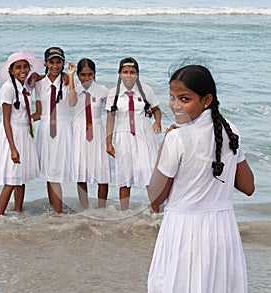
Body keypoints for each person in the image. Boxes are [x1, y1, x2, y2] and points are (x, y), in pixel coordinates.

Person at [147, 64, 255, 292]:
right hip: (222, 231)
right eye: (172, 98)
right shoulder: (231, 132)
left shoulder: (177, 138)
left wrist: (163, 146)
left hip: (184, 230)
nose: (175, 106)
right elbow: (248, 186)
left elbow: (155, 197)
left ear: (206, 100)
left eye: (184, 99)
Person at [106, 57, 162, 211]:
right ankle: (124, 212)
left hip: (144, 134)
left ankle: (156, 210)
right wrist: (108, 143)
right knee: (125, 174)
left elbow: (156, 110)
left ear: (137, 74)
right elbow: (110, 120)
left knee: (149, 173)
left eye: (132, 72)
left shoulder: (146, 90)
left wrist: (157, 122)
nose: (129, 75)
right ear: (120, 74)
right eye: (125, 72)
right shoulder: (113, 93)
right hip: (123, 136)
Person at [0, 49, 44, 216]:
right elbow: (6, 120)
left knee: (21, 179)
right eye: (18, 68)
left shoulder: (25, 86)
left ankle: (18, 212)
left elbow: (40, 78)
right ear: (11, 70)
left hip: (25, 132)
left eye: (25, 67)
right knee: (12, 178)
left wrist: (62, 76)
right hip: (13, 134)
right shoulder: (8, 88)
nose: (22, 71)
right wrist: (13, 148)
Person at [33, 47, 77, 213]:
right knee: (48, 172)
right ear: (46, 63)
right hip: (45, 130)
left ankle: (58, 212)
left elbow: (72, 102)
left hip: (62, 128)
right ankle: (55, 210)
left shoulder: (67, 82)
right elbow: (38, 111)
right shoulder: (39, 83)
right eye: (51, 62)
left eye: (58, 62)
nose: (55, 65)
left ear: (63, 63)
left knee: (56, 172)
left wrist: (71, 77)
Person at [72, 58, 110, 208]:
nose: (86, 78)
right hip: (79, 132)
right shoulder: (74, 90)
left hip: (97, 131)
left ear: (94, 74)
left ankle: (101, 208)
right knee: (81, 171)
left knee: (102, 171)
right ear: (78, 75)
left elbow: (115, 109)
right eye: (82, 75)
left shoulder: (102, 90)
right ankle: (84, 208)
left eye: (90, 74)